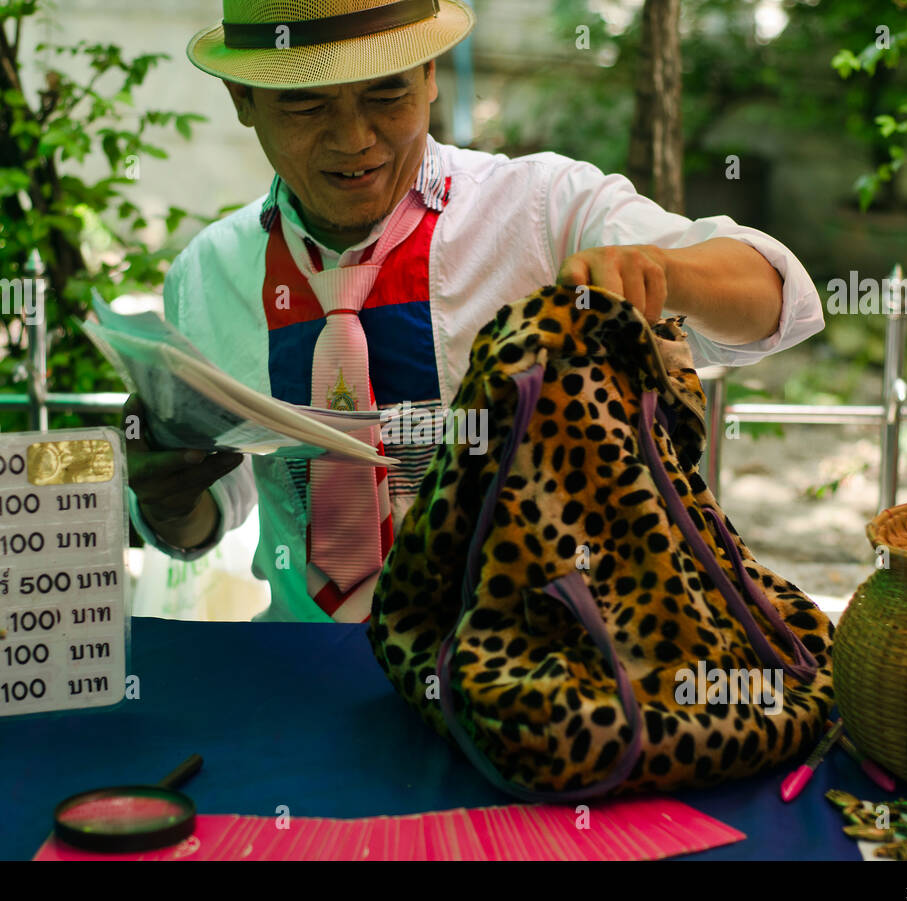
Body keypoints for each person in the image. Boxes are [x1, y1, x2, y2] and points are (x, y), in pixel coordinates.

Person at [125, 0, 824, 623]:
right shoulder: (208, 275)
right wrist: (167, 499)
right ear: (242, 96)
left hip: (527, 673)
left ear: (431, 74)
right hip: (306, 670)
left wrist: (667, 272)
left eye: (386, 94)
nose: (354, 139)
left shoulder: (543, 212)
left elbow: (778, 299)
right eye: (306, 105)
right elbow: (219, 510)